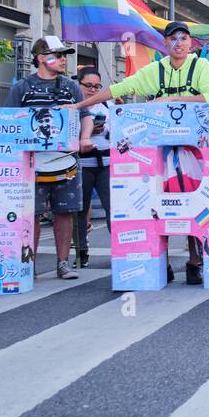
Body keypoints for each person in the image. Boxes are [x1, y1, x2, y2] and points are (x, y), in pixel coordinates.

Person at [72, 22, 209, 284]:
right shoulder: (156, 70)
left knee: (194, 200)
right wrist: (78, 106)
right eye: (173, 38)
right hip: (158, 150)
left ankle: (195, 260)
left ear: (190, 43)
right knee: (157, 203)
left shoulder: (201, 67)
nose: (179, 43)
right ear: (165, 43)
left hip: (195, 149)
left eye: (184, 38)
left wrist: (171, 99)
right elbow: (118, 89)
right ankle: (160, 260)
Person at [6, 36, 92, 281]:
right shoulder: (22, 88)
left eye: (65, 55)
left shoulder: (71, 86)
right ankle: (28, 263)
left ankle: (63, 262)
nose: (64, 59)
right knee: (30, 212)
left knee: (65, 212)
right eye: (57, 54)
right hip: (32, 162)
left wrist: (84, 138)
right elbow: (9, 121)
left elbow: (84, 114)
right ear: (42, 58)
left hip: (66, 160)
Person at [74, 67, 112, 270]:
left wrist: (104, 129)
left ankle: (120, 250)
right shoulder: (75, 106)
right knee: (79, 210)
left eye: (97, 86)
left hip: (107, 164)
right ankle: (81, 253)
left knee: (113, 209)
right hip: (82, 164)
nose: (92, 90)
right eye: (88, 86)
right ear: (78, 85)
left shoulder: (108, 105)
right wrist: (85, 131)